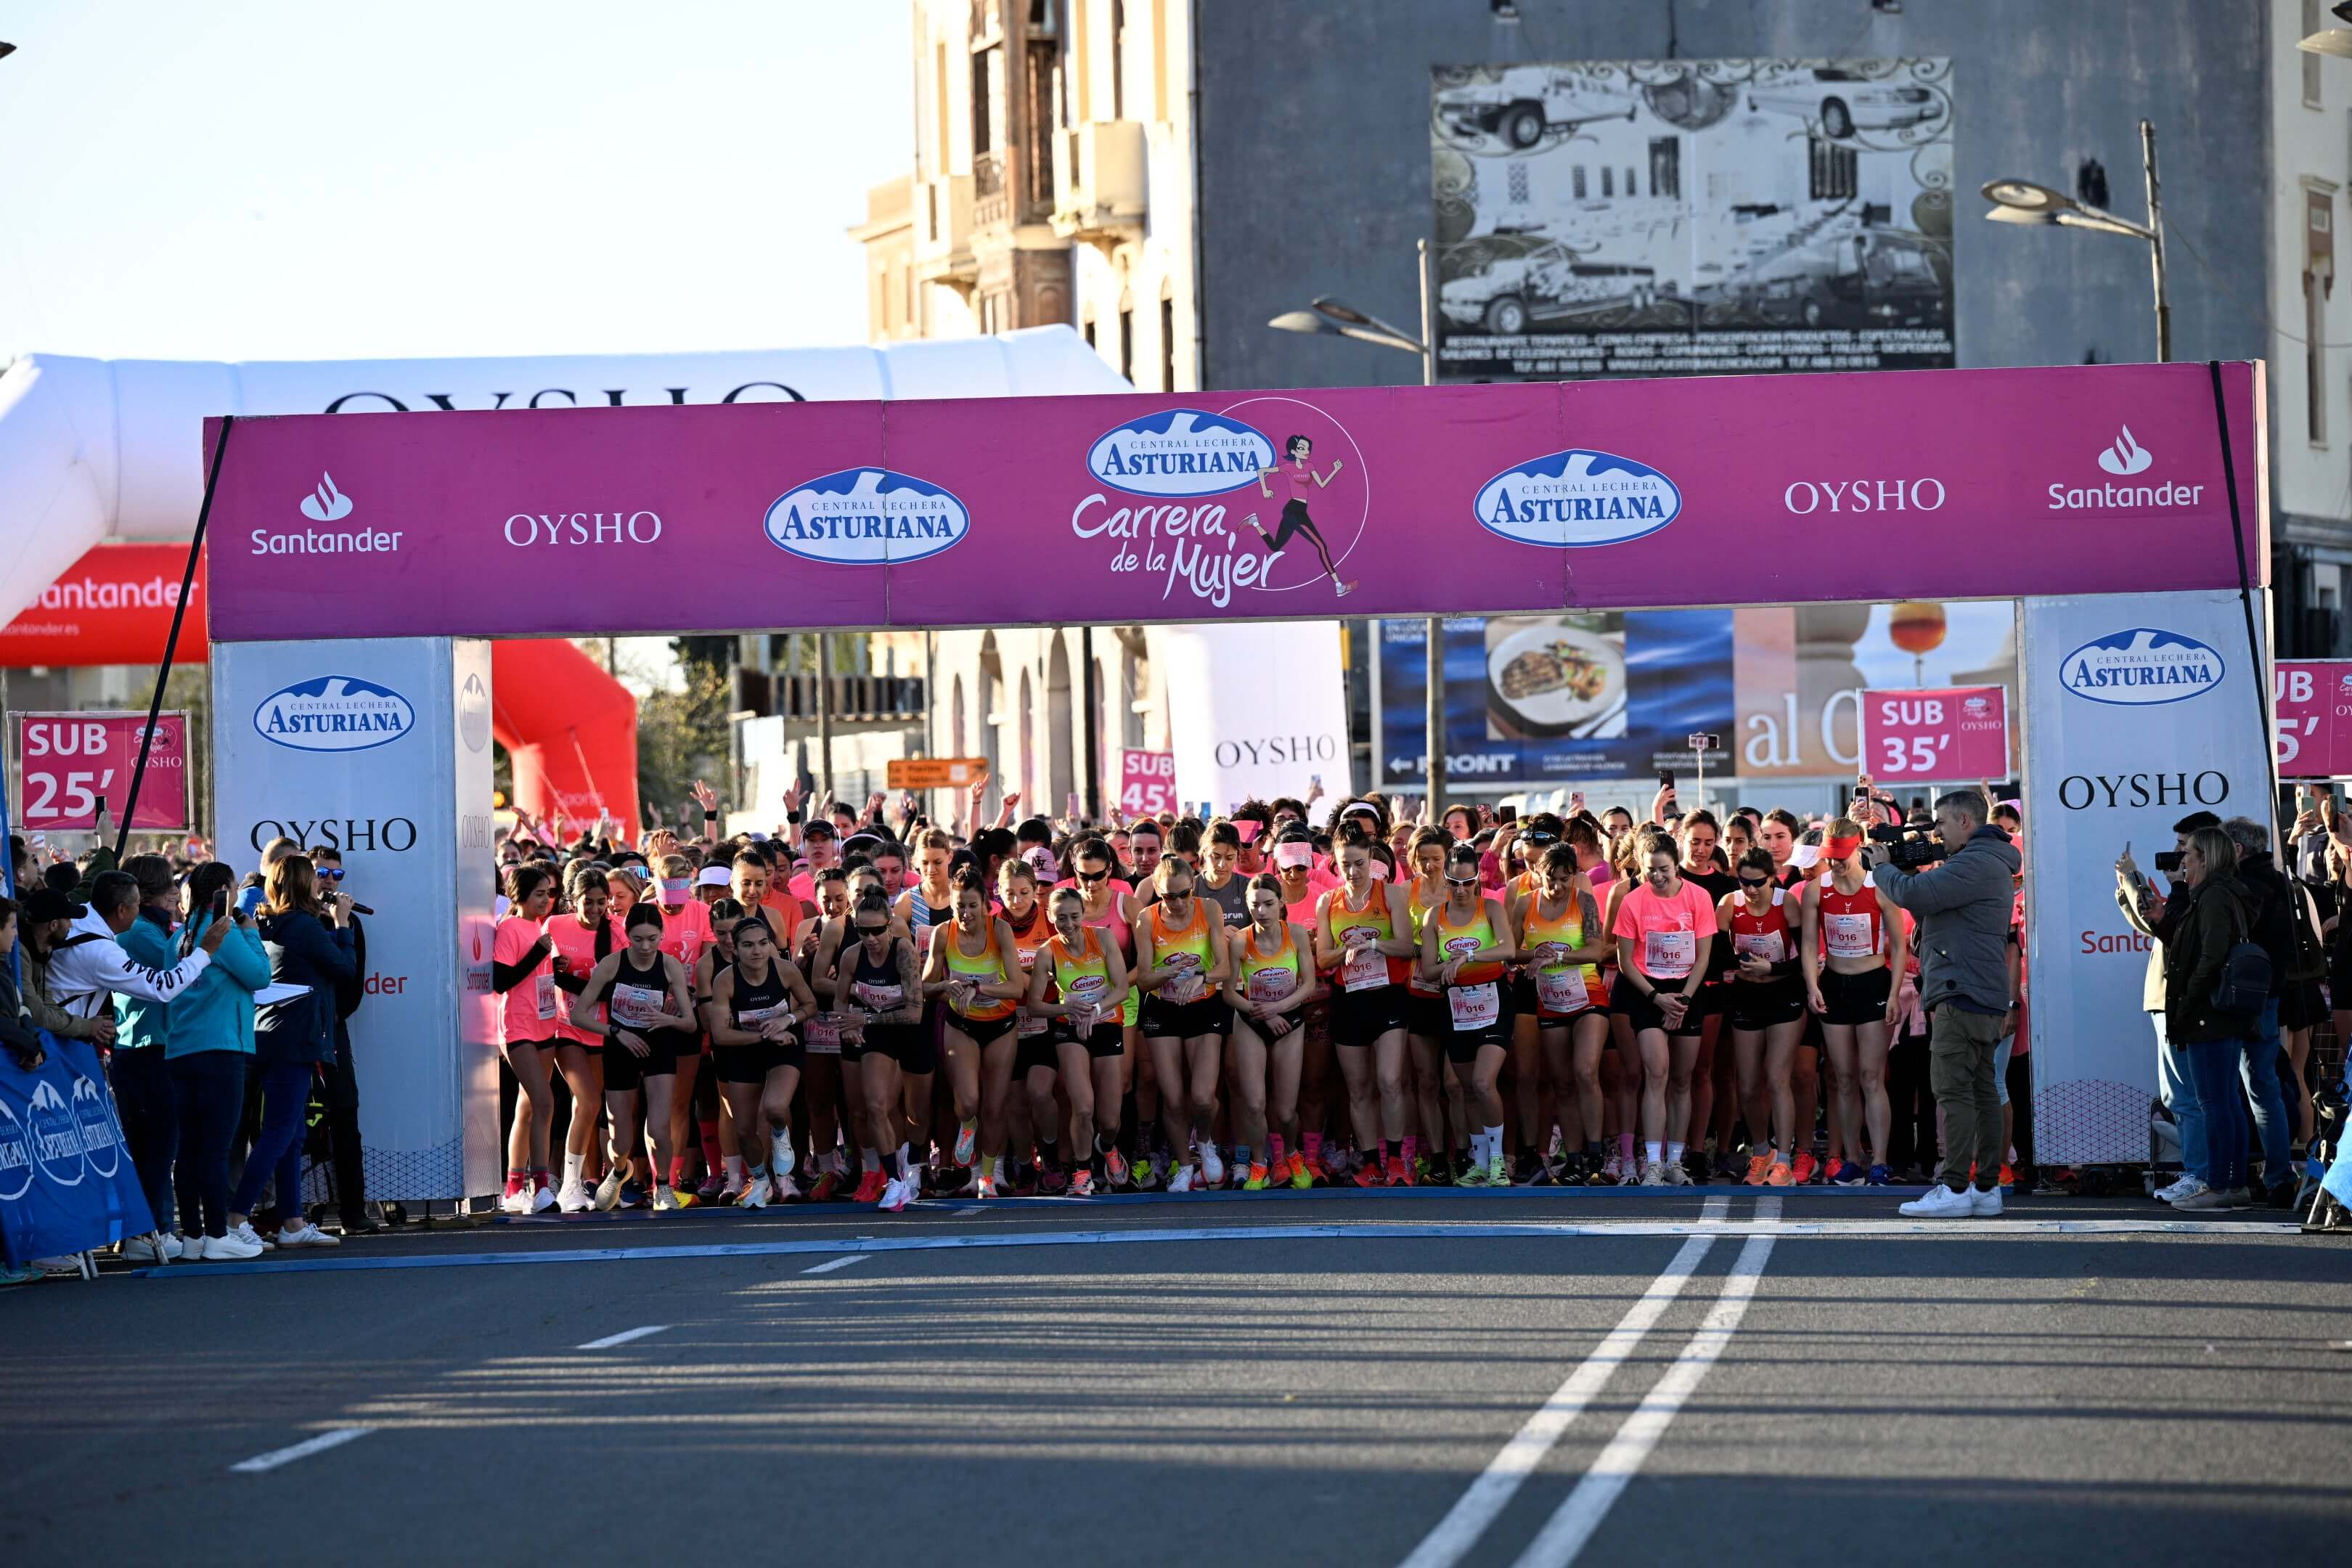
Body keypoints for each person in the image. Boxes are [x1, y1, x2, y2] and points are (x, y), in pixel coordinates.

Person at [1882, 791, 2022, 1219]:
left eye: (1940, 824)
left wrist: (1883, 865)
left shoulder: (1975, 862)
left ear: (1965, 820)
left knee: (1953, 1091)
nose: (1936, 834)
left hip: (1962, 991)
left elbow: (1916, 894)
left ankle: (1957, 1187)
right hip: (1979, 991)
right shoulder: (1989, 860)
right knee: (1982, 1090)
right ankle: (1984, 1188)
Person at [228, 854, 357, 1250]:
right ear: (304, 886)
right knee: (280, 1132)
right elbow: (345, 968)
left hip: (264, 1034)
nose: (323, 885)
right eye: (316, 880)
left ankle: (293, 1222)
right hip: (294, 1039)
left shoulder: (266, 922)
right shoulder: (304, 926)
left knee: (293, 1132)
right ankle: (234, 1220)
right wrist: (343, 926)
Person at [165, 862, 271, 1259]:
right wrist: (252, 933)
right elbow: (260, 975)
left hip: (181, 1050)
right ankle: (216, 1236)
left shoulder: (178, 937)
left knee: (190, 1149)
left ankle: (192, 1235)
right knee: (215, 1148)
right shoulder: (222, 930)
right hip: (222, 1049)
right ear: (224, 892)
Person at [1800, 818, 1909, 1186]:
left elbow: (1899, 946)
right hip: (1835, 983)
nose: (1835, 864)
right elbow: (1809, 943)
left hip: (1873, 984)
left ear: (1857, 848)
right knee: (1842, 1078)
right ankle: (1850, 1159)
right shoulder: (1817, 889)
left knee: (1870, 1076)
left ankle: (1879, 1160)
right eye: (1830, 857)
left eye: (1842, 857)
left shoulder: (1880, 887)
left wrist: (1894, 993)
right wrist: (1812, 984)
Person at [572, 902, 699, 1212]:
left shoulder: (669, 966)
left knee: (659, 1126)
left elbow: (690, 1022)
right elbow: (579, 1015)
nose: (645, 946)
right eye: (638, 939)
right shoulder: (611, 964)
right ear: (627, 935)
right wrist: (616, 1031)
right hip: (621, 1046)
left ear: (662, 935)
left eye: (653, 939)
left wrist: (665, 1019)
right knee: (621, 1139)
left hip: (659, 1045)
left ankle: (664, 1186)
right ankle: (618, 1171)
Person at [2162, 827, 2263, 1212]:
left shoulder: (2215, 896)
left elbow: (2212, 955)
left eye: (2188, 852)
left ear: (2206, 857)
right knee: (2224, 1103)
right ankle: (2233, 1185)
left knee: (2215, 1104)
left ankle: (2220, 1185)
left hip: (2210, 1015)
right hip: (2216, 1014)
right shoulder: (2214, 894)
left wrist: (2189, 999)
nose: (2182, 859)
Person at [1610, 834, 1717, 1185]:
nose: (1657, 877)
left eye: (1665, 870)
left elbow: (1704, 956)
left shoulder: (1698, 897)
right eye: (1650, 870)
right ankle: (1653, 1161)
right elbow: (1625, 960)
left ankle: (1675, 1161)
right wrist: (1656, 997)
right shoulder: (1633, 901)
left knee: (1683, 1080)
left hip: (1687, 992)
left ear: (1677, 865)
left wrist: (1683, 999)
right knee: (1656, 1072)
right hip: (1647, 991)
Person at [1314, 834, 1417, 1185]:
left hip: (1387, 995)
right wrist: (1345, 951)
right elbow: (1323, 958)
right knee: (1358, 1088)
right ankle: (1372, 1161)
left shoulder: (1390, 894)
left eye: (1359, 864)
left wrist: (1373, 942)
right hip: (1349, 998)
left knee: (1389, 1081)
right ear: (1336, 864)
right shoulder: (1328, 901)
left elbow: (1408, 947)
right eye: (1346, 865)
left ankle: (1396, 1160)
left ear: (1371, 860)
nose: (1354, 872)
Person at [2221, 816, 2310, 1204]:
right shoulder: (2279, 882)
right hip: (2269, 995)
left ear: (2237, 850)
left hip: (2243, 997)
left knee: (2236, 1089)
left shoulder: (2244, 887)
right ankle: (2276, 1175)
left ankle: (2240, 1176)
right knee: (2265, 1088)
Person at [923, 865, 1026, 1196]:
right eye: (958, 906)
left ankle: (986, 1175)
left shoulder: (1001, 932)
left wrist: (978, 989)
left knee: (994, 1106)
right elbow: (924, 987)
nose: (965, 914)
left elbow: (1015, 989)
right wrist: (948, 986)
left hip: (1001, 1025)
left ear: (985, 904)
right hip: (962, 1025)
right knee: (968, 1101)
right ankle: (967, 1126)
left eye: (971, 906)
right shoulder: (943, 933)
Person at [1132, 855, 1234, 1191]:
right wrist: (1166, 974)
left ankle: (1203, 1141)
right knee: (1174, 1098)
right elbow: (1144, 979)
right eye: (1167, 896)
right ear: (1158, 893)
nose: (1176, 903)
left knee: (1203, 1097)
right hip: (1163, 1009)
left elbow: (1223, 968)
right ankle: (1185, 1165)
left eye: (1182, 895)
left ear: (1193, 886)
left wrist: (1201, 978)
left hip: (1204, 1005)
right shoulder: (1147, 919)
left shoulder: (1209, 910)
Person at [108, 855, 194, 1254]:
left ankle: (153, 1229)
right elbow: (179, 976)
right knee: (157, 1147)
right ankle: (147, 1233)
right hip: (146, 1048)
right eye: (167, 886)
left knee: (156, 1146)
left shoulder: (150, 931)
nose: (176, 893)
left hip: (147, 1046)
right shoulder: (144, 934)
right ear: (145, 894)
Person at [703, 913, 819, 1207]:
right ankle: (760, 1179)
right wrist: (765, 1035)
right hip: (745, 1048)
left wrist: (788, 1020)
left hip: (785, 1045)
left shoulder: (785, 970)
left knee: (775, 1108)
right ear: (735, 949)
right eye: (748, 945)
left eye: (763, 943)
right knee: (743, 1130)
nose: (757, 951)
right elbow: (720, 1034)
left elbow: (810, 1005)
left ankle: (781, 1136)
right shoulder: (725, 980)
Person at [1513, 843, 1609, 1184]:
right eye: (1551, 879)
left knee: (1585, 1071)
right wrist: (1533, 955)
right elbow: (1513, 953)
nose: (1557, 887)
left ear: (1575, 876)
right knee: (1562, 1083)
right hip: (1550, 998)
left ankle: (1596, 1154)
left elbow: (1596, 950)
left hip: (1588, 993)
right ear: (1539, 873)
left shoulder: (1584, 901)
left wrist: (1554, 957)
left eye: (1565, 879)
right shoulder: (1525, 903)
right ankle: (1574, 1158)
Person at [1028, 886, 1133, 1196]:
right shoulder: (1047, 951)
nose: (1069, 924)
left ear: (1083, 915)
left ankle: (1108, 1147)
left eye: (1074, 916)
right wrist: (1067, 1007)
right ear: (1051, 917)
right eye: (1061, 918)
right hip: (1070, 1029)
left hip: (1106, 1025)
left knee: (1110, 1119)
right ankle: (1082, 1170)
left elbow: (1123, 989)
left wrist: (1097, 1009)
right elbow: (1035, 1005)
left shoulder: (1102, 939)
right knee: (1084, 1106)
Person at [1423, 841, 1516, 1186]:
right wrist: (1450, 963)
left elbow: (1507, 949)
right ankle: (1478, 1161)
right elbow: (1429, 970)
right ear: (1445, 880)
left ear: (1478, 879)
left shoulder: (1490, 908)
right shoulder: (1435, 916)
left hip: (1494, 1001)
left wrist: (1470, 957)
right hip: (1456, 1006)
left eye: (1468, 882)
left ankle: (1497, 1161)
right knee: (1466, 1087)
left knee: (1483, 1082)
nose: (1461, 890)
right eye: (1454, 883)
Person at [1222, 873, 1322, 1189]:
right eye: (1255, 906)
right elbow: (1228, 993)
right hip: (1252, 1020)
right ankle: (1258, 1164)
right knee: (1254, 1104)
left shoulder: (1296, 934)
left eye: (1268, 904)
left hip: (1289, 1021)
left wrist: (1279, 1009)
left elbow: (1309, 984)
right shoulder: (1240, 940)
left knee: (1286, 1109)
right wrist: (1261, 1012)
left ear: (1281, 903)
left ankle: (1292, 1154)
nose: (1262, 912)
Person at [833, 889, 928, 1211]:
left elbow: (915, 1013)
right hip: (878, 1035)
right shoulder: (851, 955)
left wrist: (865, 1019)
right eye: (863, 931)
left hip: (912, 1034)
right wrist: (848, 1026)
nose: (871, 938)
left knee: (917, 1114)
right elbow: (839, 999)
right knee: (875, 1106)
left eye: (877, 931)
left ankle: (912, 1160)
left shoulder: (904, 952)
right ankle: (894, 1181)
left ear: (891, 926)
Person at [308, 846, 375, 1235]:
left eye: (337, 875)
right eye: (322, 873)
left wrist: (341, 926)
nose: (331, 881)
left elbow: (353, 982)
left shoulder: (350, 924)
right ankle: (285, 1212)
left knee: (346, 1114)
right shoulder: (293, 919)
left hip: (332, 1030)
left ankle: (353, 1210)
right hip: (295, 1030)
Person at [547, 864, 621, 1212]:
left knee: (588, 1106)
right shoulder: (555, 925)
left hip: (603, 1029)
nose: (594, 910)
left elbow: (617, 988)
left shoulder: (616, 933)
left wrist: (570, 982)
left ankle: (597, 1180)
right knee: (589, 1101)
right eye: (587, 902)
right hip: (565, 1027)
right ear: (571, 900)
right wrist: (561, 979)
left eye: (600, 902)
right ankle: (569, 1184)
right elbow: (545, 974)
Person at [491, 864, 563, 1213]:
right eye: (539, 894)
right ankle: (542, 1187)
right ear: (520, 896)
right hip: (517, 1027)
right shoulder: (509, 928)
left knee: (529, 1106)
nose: (546, 900)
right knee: (545, 1102)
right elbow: (501, 980)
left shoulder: (537, 926)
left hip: (545, 1024)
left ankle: (514, 1187)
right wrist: (538, 953)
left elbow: (539, 976)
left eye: (549, 893)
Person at [1246, 432, 1355, 597]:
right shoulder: (1287, 467)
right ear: (1294, 451)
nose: (1306, 451)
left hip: (1299, 511)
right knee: (1322, 546)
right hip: (1294, 510)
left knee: (1275, 547)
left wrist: (1335, 470)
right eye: (1302, 448)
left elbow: (1322, 484)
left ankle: (1255, 522)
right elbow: (1261, 471)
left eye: (1307, 448)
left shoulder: (1310, 466)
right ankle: (1339, 586)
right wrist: (1265, 490)